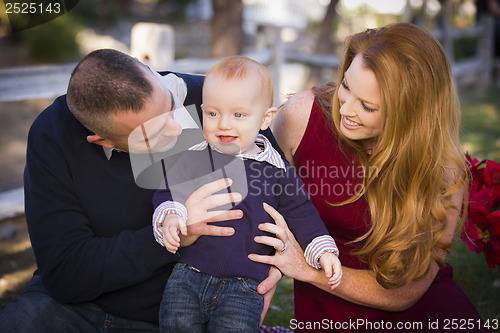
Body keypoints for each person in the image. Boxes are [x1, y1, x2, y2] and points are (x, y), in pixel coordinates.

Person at [0, 49, 281, 332]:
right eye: (154, 134)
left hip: (182, 308)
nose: (177, 128)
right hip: (74, 307)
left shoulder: (218, 103)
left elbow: (286, 194)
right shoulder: (53, 134)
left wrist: (277, 265)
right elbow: (66, 273)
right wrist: (170, 236)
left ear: (146, 70)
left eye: (171, 106)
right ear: (104, 141)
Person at [249, 23, 491, 332]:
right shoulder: (304, 115)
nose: (345, 109)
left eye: (368, 106)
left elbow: (407, 292)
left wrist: (305, 269)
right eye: (346, 86)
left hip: (419, 308)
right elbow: (242, 168)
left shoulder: (444, 172)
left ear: (409, 113)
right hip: (330, 311)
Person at [151, 56, 341, 333]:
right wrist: (170, 215)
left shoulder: (276, 169)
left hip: (245, 284)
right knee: (175, 324)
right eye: (213, 114)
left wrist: (322, 249)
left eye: (238, 115)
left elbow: (302, 212)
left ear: (265, 118)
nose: (224, 124)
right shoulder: (193, 156)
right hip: (189, 273)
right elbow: (167, 190)